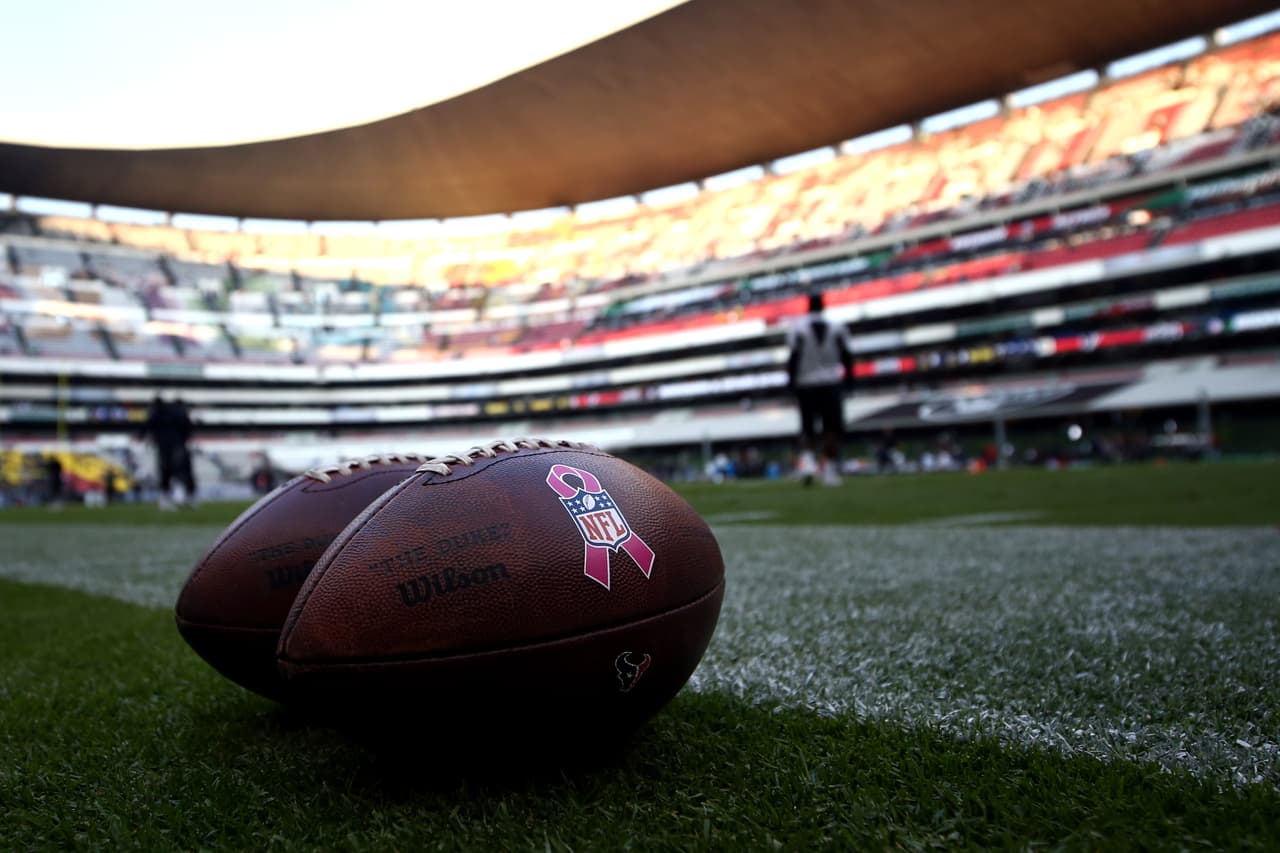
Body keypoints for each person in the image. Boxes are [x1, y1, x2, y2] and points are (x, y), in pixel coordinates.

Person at [787, 290, 854, 486]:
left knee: (808, 427)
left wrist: (791, 383)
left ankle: (808, 462)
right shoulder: (837, 327)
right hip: (831, 382)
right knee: (831, 428)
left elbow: (793, 359)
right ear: (823, 305)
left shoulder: (797, 328)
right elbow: (847, 356)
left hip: (806, 383)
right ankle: (829, 469)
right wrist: (850, 382)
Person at [141, 394, 196, 509]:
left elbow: (148, 426)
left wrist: (145, 436)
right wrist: (184, 439)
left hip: (164, 446)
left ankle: (168, 498)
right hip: (177, 445)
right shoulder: (178, 412)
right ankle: (182, 496)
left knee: (166, 472)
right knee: (179, 470)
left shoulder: (157, 413)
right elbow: (188, 427)